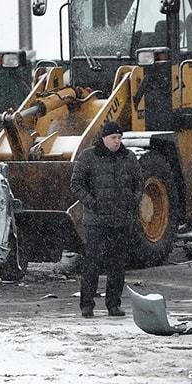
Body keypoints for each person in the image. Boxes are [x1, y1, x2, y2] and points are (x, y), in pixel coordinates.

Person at [69, 120, 143, 318]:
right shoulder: (88, 157)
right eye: (113, 138)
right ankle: (87, 305)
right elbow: (76, 184)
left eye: (119, 137)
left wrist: (132, 202)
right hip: (96, 221)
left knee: (117, 265)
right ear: (104, 138)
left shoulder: (129, 158)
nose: (117, 141)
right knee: (91, 264)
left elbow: (139, 183)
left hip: (121, 220)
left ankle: (114, 304)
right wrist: (92, 203)